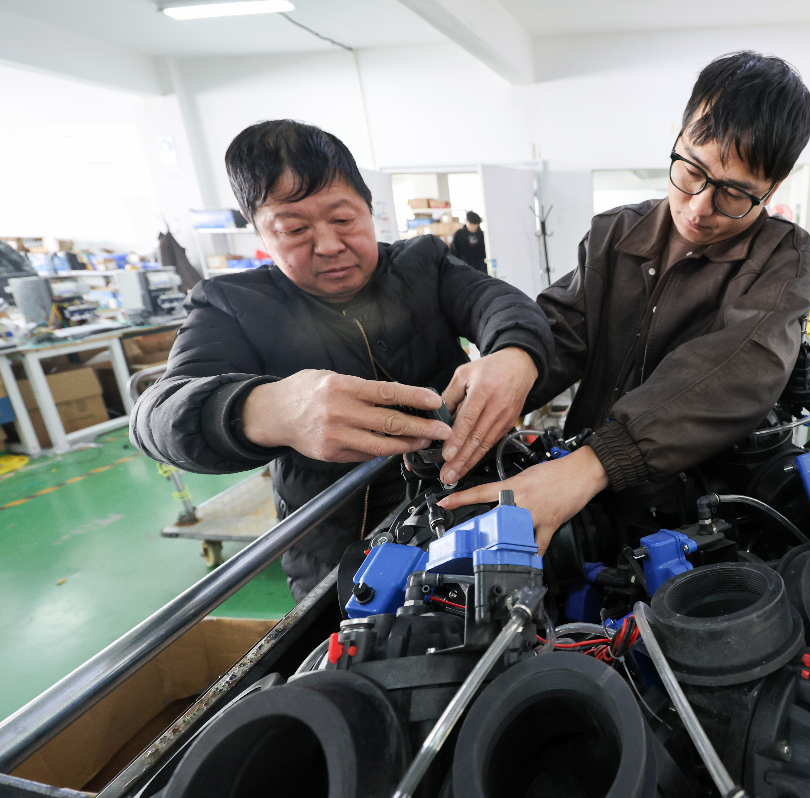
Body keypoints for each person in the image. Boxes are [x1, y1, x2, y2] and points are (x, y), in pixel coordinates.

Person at [130, 120, 553, 600]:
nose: (329, 245)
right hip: (338, 556)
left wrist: (515, 353)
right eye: (294, 229)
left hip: (471, 507)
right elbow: (155, 418)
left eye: (343, 220)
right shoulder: (230, 306)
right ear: (259, 229)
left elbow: (502, 304)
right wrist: (265, 410)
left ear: (369, 207)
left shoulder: (425, 264)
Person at [440, 51, 810, 552]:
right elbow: (563, 329)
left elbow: (735, 371)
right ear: (678, 137)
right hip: (583, 491)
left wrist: (595, 463)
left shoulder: (783, 264)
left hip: (696, 517)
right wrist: (515, 361)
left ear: (773, 187)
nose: (699, 207)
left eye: (734, 193)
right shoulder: (617, 232)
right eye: (692, 170)